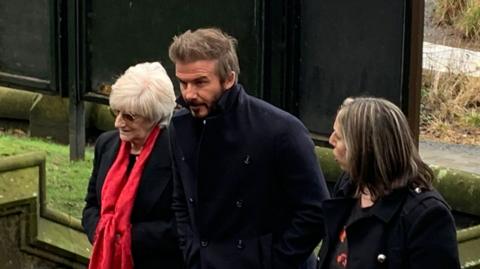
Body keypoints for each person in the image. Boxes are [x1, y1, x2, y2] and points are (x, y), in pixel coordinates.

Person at [167, 27, 330, 269]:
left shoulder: (281, 130)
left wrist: (274, 261)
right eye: (183, 83)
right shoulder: (179, 127)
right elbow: (182, 199)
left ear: (229, 79)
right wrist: (192, 250)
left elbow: (315, 211)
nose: (189, 94)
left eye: (200, 82)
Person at [318, 97, 460, 269]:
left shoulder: (426, 216)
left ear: (365, 147)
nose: (331, 140)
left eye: (339, 136)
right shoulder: (349, 186)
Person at [81, 62, 184, 269]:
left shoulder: (177, 154)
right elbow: (91, 205)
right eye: (116, 112)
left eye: (129, 116)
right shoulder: (106, 144)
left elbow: (181, 225)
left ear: (154, 116)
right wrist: (103, 234)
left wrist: (126, 237)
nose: (118, 123)